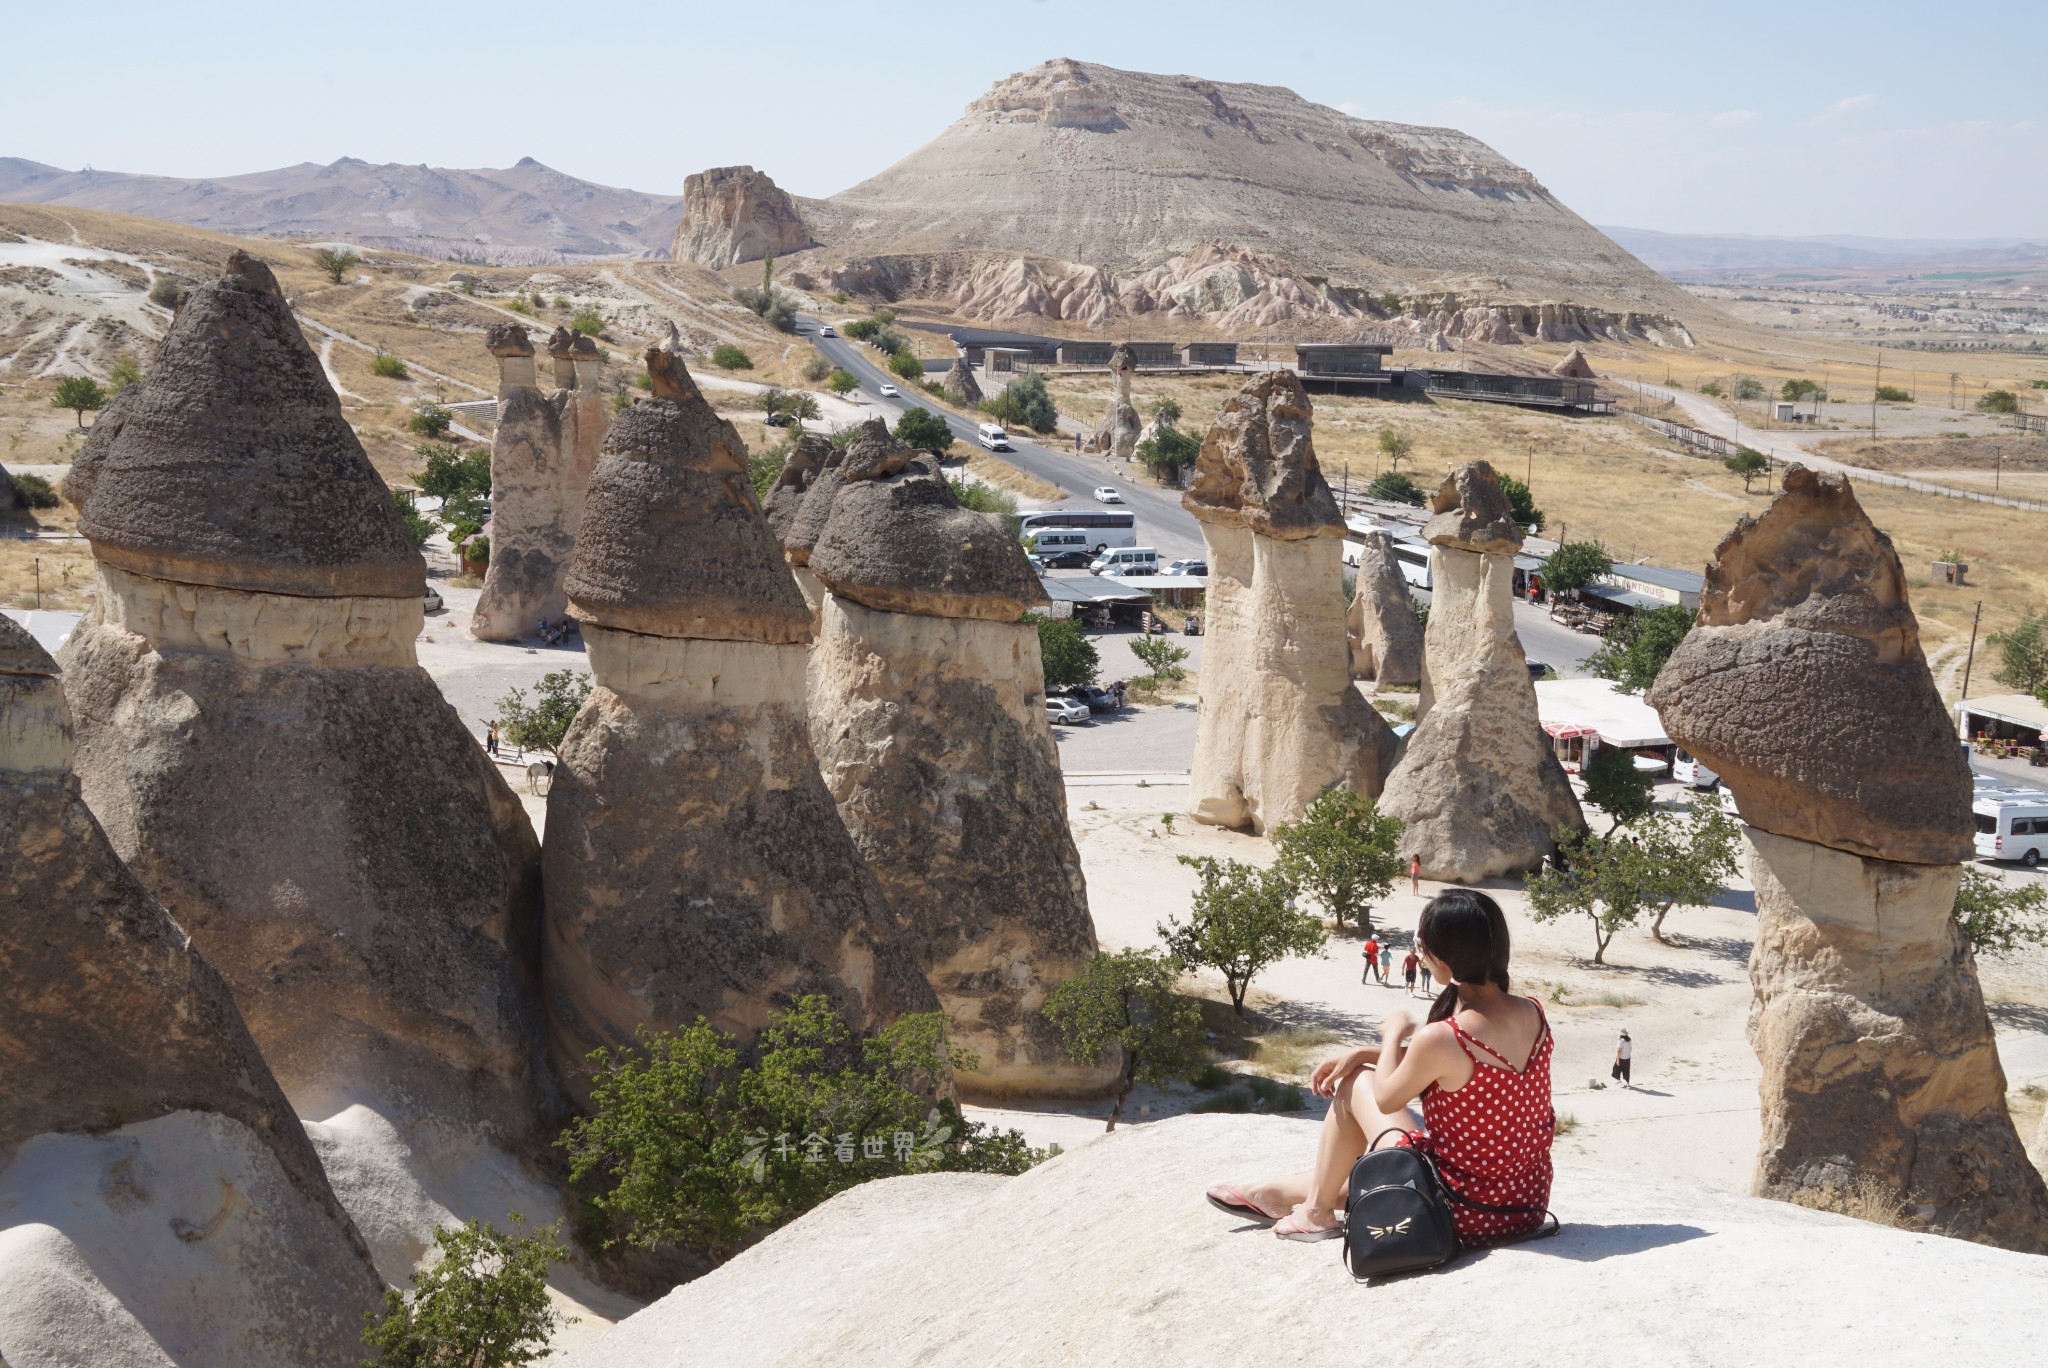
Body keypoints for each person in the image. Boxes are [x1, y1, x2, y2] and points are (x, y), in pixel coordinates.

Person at [1204, 889, 1554, 1242]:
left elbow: (1387, 1097)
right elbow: (1456, 1067)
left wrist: (1392, 1035)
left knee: (1356, 1083)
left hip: (1462, 1212)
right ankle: (1272, 1193)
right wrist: (1365, 1052)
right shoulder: (1533, 1012)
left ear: (1444, 962)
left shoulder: (1444, 1036)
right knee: (1371, 1139)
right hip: (1525, 1205)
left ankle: (1314, 1213)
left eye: (1422, 944)